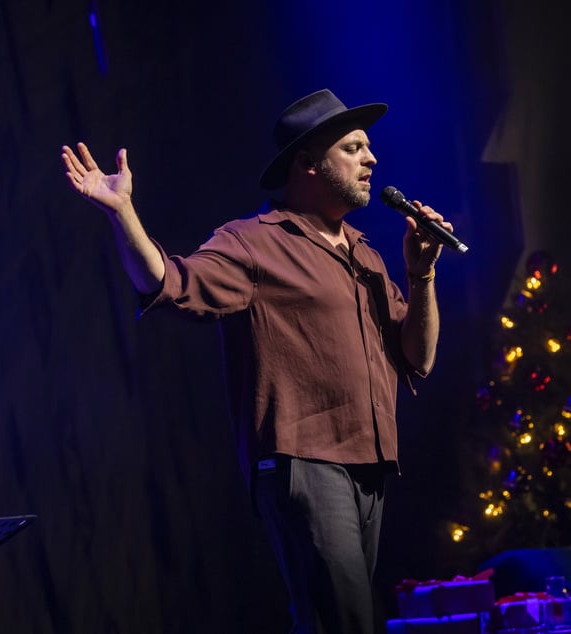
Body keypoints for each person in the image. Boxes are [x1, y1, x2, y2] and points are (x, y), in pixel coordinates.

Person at [61, 88, 452, 633]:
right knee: (351, 621)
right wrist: (123, 212)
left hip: (370, 462)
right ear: (308, 163)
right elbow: (170, 284)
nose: (372, 160)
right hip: (305, 458)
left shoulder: (365, 253)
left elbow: (419, 356)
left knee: (335, 621)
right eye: (355, 148)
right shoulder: (254, 243)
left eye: (369, 148)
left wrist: (422, 273)